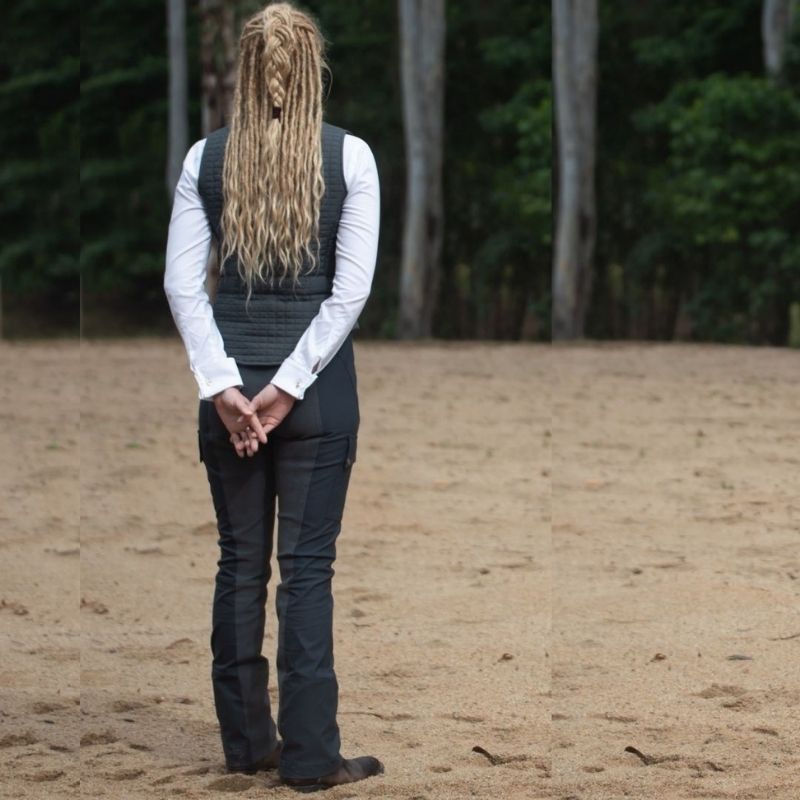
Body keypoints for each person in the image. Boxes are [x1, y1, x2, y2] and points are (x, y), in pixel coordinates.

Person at [163, 2, 382, 792]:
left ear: (248, 72)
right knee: (308, 572)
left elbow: (183, 287)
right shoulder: (350, 157)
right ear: (312, 68)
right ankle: (313, 759)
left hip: (229, 396)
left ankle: (246, 743)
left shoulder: (204, 160)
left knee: (239, 566)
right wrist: (289, 388)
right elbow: (349, 293)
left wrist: (225, 386)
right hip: (317, 403)